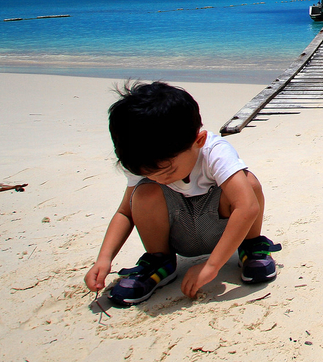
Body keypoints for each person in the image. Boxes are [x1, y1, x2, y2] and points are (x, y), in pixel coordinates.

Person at [84, 81, 281, 306]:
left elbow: (247, 208)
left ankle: (252, 246)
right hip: (177, 234)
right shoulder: (146, 159)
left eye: (167, 170)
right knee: (143, 193)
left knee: (248, 183)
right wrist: (104, 258)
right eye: (147, 172)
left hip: (227, 230)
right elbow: (125, 213)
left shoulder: (214, 152)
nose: (158, 179)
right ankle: (159, 262)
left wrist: (211, 266)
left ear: (198, 141)